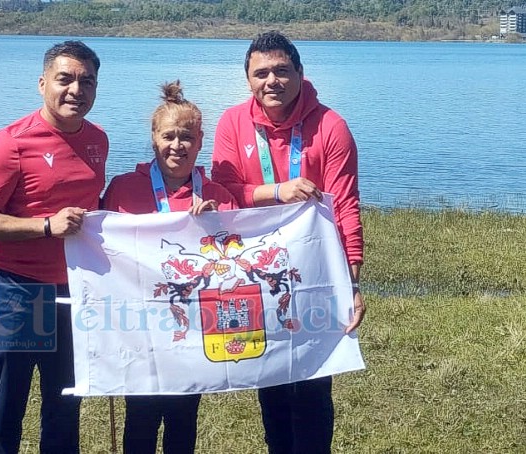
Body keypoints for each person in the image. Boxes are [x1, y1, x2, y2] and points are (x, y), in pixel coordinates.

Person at [210, 31, 366, 454]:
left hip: (313, 272)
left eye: (281, 71)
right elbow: (223, 192)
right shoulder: (232, 122)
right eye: (261, 73)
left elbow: (345, 205)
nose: (271, 81)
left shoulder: (330, 125)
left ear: (300, 73)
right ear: (247, 80)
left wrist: (352, 283)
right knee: (272, 382)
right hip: (256, 274)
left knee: (312, 389)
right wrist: (277, 191)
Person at [0, 41, 108, 454]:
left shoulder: (98, 140)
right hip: (18, 290)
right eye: (65, 79)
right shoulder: (11, 143)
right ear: (43, 83)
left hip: (74, 292)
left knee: (66, 404)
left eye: (87, 81)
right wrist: (46, 226)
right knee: (6, 406)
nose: (76, 90)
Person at [102, 80, 238, 454]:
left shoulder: (216, 196)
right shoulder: (123, 187)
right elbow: (100, 248)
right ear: (153, 138)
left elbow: (236, 261)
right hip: (140, 326)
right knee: (141, 418)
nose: (177, 146)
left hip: (192, 329)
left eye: (186, 137)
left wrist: (218, 228)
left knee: (182, 419)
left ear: (200, 141)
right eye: (169, 136)